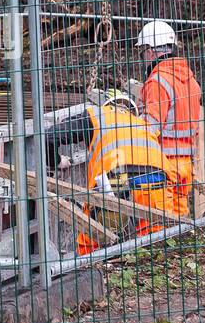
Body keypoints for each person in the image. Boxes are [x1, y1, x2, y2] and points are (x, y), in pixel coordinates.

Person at [45, 90, 173, 255]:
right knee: (155, 245)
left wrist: (55, 161)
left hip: (118, 176)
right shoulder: (142, 124)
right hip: (157, 176)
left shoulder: (96, 115)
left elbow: (49, 137)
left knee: (92, 241)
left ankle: (90, 273)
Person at [133, 19, 202, 217]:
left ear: (151, 50)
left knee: (160, 222)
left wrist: (131, 122)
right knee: (180, 221)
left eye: (144, 51)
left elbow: (150, 127)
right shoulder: (189, 80)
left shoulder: (157, 81)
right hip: (185, 163)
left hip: (163, 163)